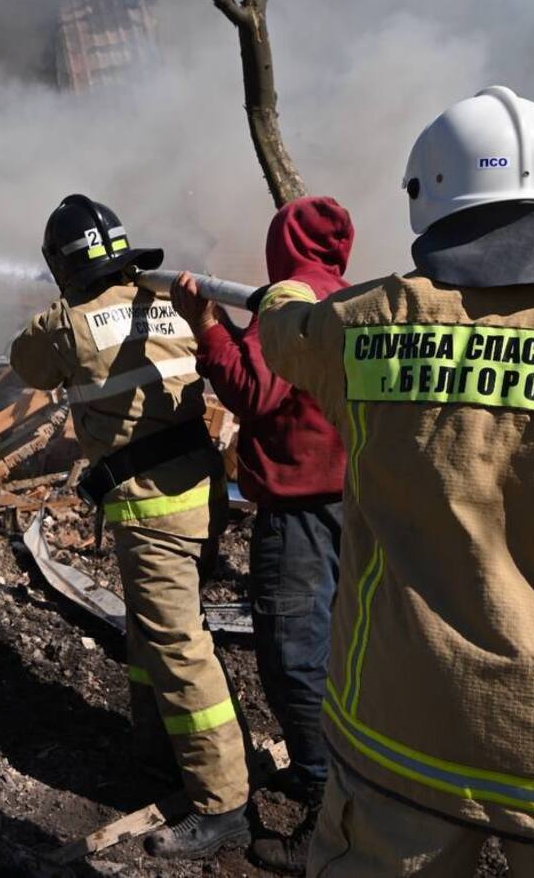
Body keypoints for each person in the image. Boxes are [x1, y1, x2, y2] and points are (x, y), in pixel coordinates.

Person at [254, 87, 534, 877]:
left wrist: (291, 286)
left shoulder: (367, 323)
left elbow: (282, 333)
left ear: (425, 197)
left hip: (405, 730)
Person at [9, 194, 251, 860]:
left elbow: (25, 360)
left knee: (177, 645)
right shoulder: (165, 298)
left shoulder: (68, 322)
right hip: (202, 492)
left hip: (153, 511)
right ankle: (157, 746)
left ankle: (223, 800)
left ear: (60, 265)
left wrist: (59, 306)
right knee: (150, 626)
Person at [169, 197, 353, 874]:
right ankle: (349, 782)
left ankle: (326, 807)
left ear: (282, 244)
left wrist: (208, 326)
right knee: (345, 652)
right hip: (356, 505)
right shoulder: (351, 296)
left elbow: (252, 390)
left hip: (300, 512)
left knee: (296, 657)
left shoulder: (289, 300)